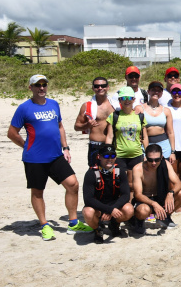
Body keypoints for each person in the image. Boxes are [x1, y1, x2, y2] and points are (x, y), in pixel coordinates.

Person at [8, 74, 90, 240]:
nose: (41, 88)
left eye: (44, 84)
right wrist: (26, 146)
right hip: (34, 158)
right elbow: (12, 133)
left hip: (55, 156)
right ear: (30, 88)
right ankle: (44, 225)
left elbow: (60, 126)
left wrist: (65, 147)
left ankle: (73, 222)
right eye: (37, 85)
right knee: (38, 192)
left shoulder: (53, 104)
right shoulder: (24, 108)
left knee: (72, 184)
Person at [81, 144, 133, 243]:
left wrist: (112, 209)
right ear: (99, 157)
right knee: (88, 212)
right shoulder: (91, 173)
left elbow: (126, 195)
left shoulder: (120, 171)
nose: (109, 159)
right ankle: (97, 229)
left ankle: (114, 223)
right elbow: (88, 199)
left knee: (129, 209)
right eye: (106, 156)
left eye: (112, 156)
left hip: (113, 204)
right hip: (98, 207)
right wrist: (108, 210)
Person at [131, 144, 181, 234]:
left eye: (156, 160)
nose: (153, 163)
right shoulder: (138, 169)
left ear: (161, 157)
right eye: (150, 160)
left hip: (161, 197)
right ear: (146, 157)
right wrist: (154, 203)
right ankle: (140, 221)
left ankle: (164, 217)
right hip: (146, 200)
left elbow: (179, 184)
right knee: (143, 210)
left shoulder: (166, 164)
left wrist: (170, 193)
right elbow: (138, 195)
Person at [74, 76, 116, 167]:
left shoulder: (116, 105)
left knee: (115, 175)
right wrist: (87, 125)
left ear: (108, 87)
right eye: (97, 86)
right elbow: (76, 126)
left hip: (114, 144)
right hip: (96, 145)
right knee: (95, 175)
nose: (100, 88)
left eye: (103, 85)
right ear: (93, 88)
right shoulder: (87, 106)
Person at [106, 87, 148, 170]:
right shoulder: (114, 116)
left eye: (129, 98)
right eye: (124, 98)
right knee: (121, 181)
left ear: (134, 99)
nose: (127, 100)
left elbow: (145, 137)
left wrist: (147, 154)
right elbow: (109, 136)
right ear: (120, 100)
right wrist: (108, 153)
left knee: (134, 181)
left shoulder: (140, 116)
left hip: (137, 154)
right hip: (119, 155)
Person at [139, 81, 175, 160]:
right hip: (146, 143)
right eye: (153, 90)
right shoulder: (140, 108)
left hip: (164, 144)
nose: (156, 92)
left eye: (159, 91)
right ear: (148, 91)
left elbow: (170, 132)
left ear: (162, 93)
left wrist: (173, 151)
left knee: (164, 169)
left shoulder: (166, 110)